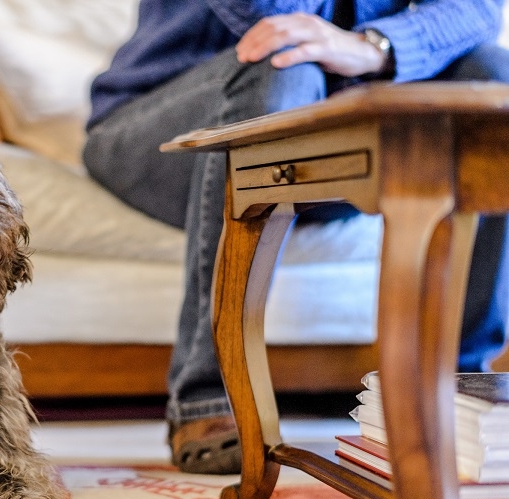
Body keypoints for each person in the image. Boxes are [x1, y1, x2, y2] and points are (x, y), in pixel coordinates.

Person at [83, 0, 509, 474]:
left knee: (492, 74)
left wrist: (379, 45)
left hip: (333, 118)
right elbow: (270, 16)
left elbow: (480, 9)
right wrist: (352, 49)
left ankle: (456, 385)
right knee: (283, 58)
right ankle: (206, 398)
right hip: (158, 122)